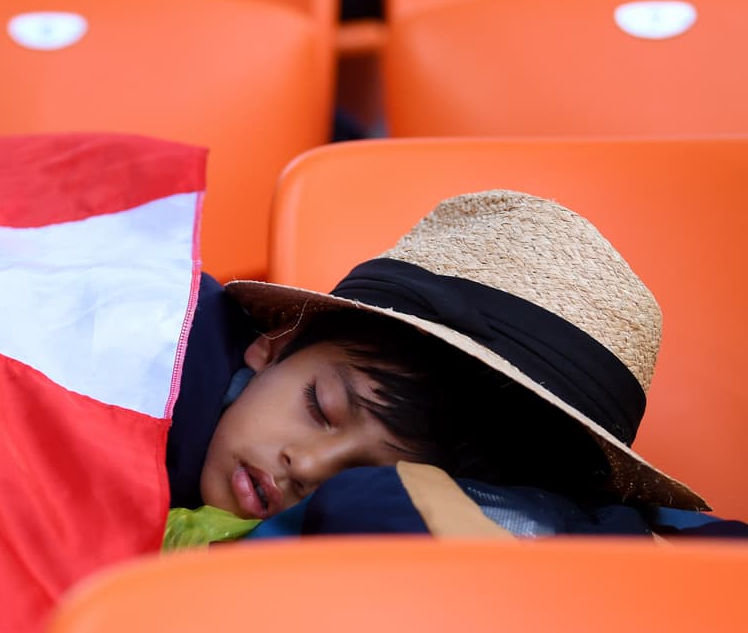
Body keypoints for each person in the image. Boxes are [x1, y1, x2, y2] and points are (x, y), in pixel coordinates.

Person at [166, 189, 740, 541]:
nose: (308, 466)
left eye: (368, 474)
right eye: (321, 406)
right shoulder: (145, 364)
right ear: (274, 340)